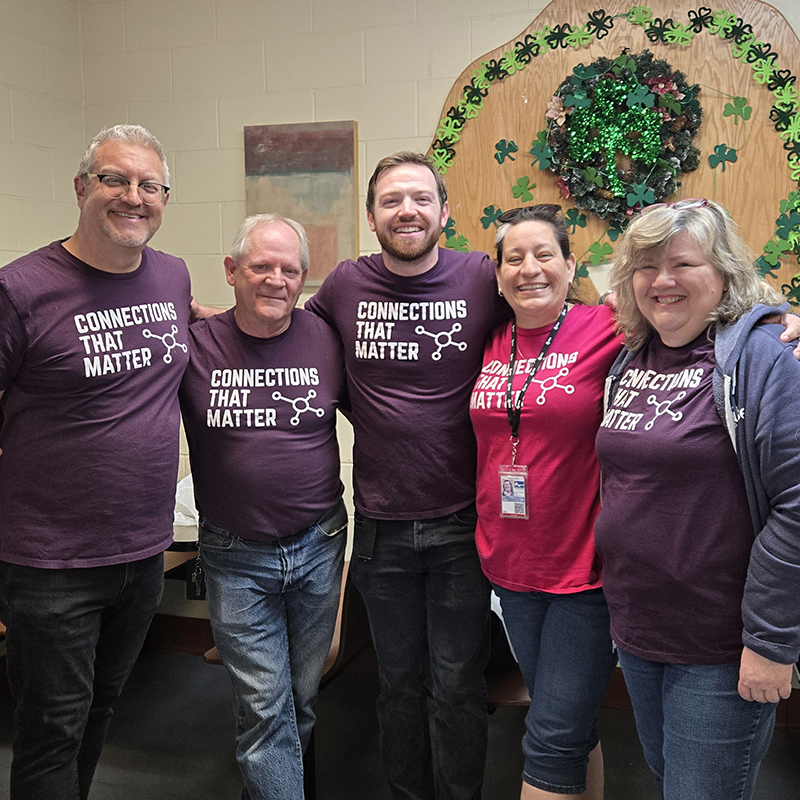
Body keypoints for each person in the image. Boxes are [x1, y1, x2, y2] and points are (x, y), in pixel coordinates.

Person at [304, 152, 508, 800]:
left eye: (421, 198)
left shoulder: (483, 276)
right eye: (392, 200)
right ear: (372, 216)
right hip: (381, 528)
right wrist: (204, 324)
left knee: (456, 687)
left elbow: (565, 315)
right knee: (396, 687)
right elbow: (281, 336)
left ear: (445, 212)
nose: (407, 211)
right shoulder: (343, 285)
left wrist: (766, 321)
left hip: (461, 526)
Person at [0, 125, 190, 800]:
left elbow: (190, 331)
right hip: (50, 563)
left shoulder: (171, 275)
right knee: (52, 729)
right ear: (82, 188)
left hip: (143, 551)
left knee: (100, 712)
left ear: (164, 198)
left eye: (148, 185)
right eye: (115, 179)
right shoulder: (21, 290)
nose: (132, 197)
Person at [594, 198, 800, 800]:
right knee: (671, 782)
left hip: (720, 644)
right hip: (640, 630)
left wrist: (769, 642)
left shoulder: (763, 358)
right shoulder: (632, 356)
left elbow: (795, 504)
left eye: (682, 264)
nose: (662, 281)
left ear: (725, 272)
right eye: (645, 266)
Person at [179, 214, 347, 800]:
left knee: (297, 703)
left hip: (320, 544)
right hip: (234, 554)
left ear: (304, 278)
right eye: (260, 266)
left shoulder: (327, 338)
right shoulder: (194, 344)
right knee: (263, 707)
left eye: (289, 269)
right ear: (231, 271)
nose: (275, 279)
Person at [469, 205, 622, 800]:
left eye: (544, 255)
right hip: (509, 566)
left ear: (570, 264)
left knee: (550, 739)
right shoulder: (489, 339)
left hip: (583, 569)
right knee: (574, 728)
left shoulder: (608, 326)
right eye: (514, 258)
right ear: (499, 274)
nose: (529, 268)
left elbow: (700, 303)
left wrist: (778, 318)